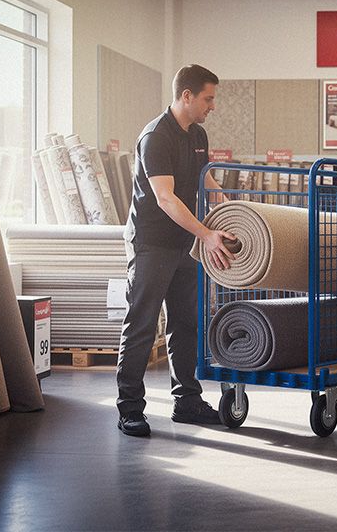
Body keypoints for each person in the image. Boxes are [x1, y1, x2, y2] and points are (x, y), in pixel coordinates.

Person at [116, 64, 236, 437]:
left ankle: (187, 402)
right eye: (208, 98)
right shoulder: (156, 136)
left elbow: (206, 180)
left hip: (184, 244)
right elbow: (165, 198)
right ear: (187, 96)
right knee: (141, 325)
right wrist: (206, 234)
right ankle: (130, 409)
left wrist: (235, 213)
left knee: (185, 324)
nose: (212, 106)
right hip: (151, 244)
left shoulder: (197, 134)